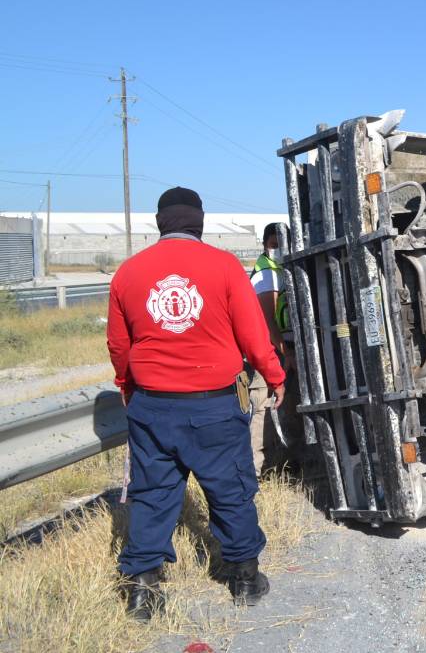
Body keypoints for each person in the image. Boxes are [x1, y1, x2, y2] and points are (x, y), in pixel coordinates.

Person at [106, 187, 286, 621]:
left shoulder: (128, 273)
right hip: (213, 407)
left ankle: (143, 591)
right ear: (198, 222)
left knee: (151, 496)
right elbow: (254, 337)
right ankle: (244, 578)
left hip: (152, 407)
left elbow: (118, 346)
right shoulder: (224, 267)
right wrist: (276, 376)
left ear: (160, 222)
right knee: (231, 490)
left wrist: (130, 390)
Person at [245, 222, 295, 474]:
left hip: (279, 347)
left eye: (282, 244)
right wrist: (286, 353)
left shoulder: (281, 269)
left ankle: (280, 463)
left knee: (280, 406)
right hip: (269, 350)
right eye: (274, 245)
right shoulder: (266, 274)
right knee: (263, 406)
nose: (278, 249)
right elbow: (267, 322)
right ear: (265, 244)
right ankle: (256, 469)